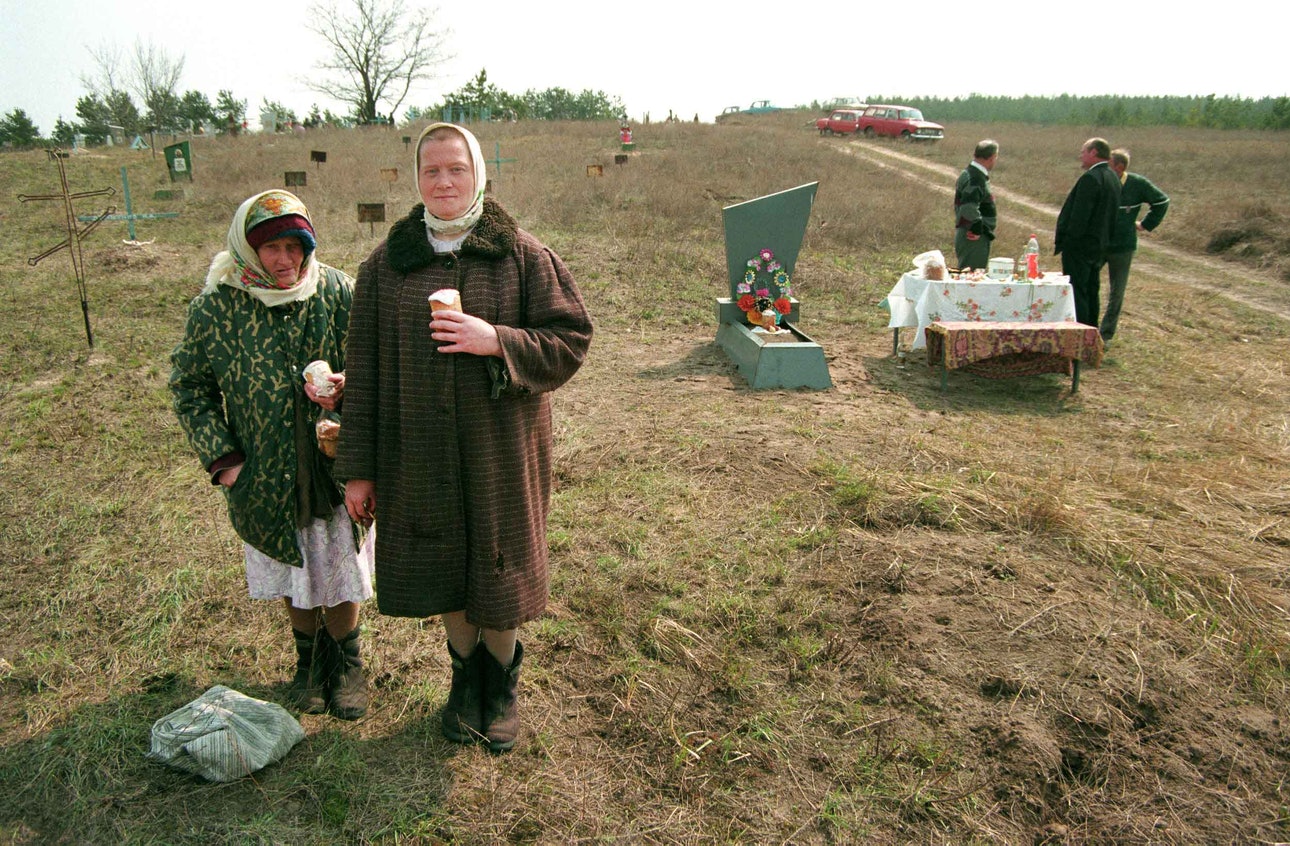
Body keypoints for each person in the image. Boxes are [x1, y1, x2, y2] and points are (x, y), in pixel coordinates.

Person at [336, 123, 593, 752]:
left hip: (500, 452)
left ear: (479, 172)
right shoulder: (386, 267)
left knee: (498, 565)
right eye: (432, 171)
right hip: (416, 450)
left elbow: (570, 342)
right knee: (444, 562)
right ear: (417, 180)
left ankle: (500, 684)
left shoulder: (523, 256)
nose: (444, 181)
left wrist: (497, 340)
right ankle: (462, 677)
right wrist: (359, 470)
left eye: (457, 168)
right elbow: (363, 373)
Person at [170, 190, 372, 720]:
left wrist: (347, 389)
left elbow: (373, 366)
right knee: (293, 564)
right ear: (246, 248)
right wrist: (226, 462)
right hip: (264, 468)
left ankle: (346, 662)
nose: (285, 260)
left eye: (294, 246)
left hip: (333, 462)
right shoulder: (216, 307)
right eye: (271, 248)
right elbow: (189, 386)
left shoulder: (336, 291)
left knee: (338, 561)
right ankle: (308, 663)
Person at [1101, 148, 1170, 342]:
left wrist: (1146, 224)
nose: (1104, 169)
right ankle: (1083, 328)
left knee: (1117, 292)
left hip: (1123, 246)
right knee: (1085, 284)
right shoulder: (1101, 181)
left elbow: (1162, 201)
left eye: (1108, 165)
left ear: (1120, 167)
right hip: (1098, 244)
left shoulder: (1137, 184)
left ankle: (1105, 335)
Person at [1054, 137, 1121, 326]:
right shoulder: (1112, 177)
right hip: (1099, 247)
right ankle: (1092, 331)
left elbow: (1079, 217)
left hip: (1081, 248)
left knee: (1078, 293)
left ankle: (1081, 336)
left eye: (1083, 151)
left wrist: (1069, 242)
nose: (1080, 156)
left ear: (1093, 152)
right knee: (1092, 291)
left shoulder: (1091, 178)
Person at [953, 139, 999, 270]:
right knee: (971, 278)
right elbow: (969, 207)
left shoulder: (969, 173)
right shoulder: (976, 178)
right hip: (973, 237)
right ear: (992, 157)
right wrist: (977, 228)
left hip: (970, 234)